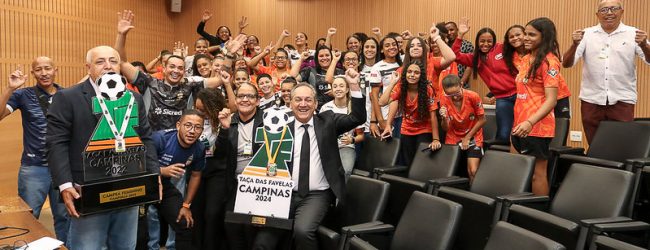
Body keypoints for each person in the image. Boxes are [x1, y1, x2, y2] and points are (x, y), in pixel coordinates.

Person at [47, 44, 159, 249]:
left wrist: (154, 174)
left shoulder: (134, 98)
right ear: (88, 67)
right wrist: (64, 184)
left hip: (128, 188)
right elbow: (56, 143)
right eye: (100, 61)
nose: (108, 66)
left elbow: (146, 138)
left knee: (125, 246)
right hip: (86, 190)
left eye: (113, 61)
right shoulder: (67, 97)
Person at [252, 68, 366, 249]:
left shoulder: (328, 121)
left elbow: (357, 117)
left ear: (315, 104)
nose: (303, 104)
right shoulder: (279, 127)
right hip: (282, 194)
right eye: (298, 99)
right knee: (262, 241)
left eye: (308, 100)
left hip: (317, 195)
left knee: (303, 231)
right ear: (290, 103)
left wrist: (353, 85)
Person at [114, 10, 237, 131]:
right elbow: (123, 63)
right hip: (152, 139)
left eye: (180, 68)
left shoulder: (190, 85)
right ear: (164, 68)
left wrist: (230, 54)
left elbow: (221, 78)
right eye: (172, 66)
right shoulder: (149, 82)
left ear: (184, 71)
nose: (176, 71)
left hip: (179, 141)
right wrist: (121, 35)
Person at [0, 58, 69, 243]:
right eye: (38, 69)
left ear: (56, 70)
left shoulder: (66, 94)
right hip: (33, 168)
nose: (44, 73)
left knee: (66, 218)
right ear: (33, 73)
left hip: (63, 167)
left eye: (47, 68)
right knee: (28, 219)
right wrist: (9, 88)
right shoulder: (23, 94)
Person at [562, 0, 650, 144]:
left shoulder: (633, 33)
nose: (609, 13)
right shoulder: (587, 34)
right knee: (595, 144)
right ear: (597, 14)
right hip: (591, 100)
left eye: (613, 9)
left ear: (622, 11)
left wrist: (644, 45)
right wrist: (574, 44)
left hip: (622, 99)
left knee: (621, 145)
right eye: (604, 10)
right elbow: (566, 64)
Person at [511, 17, 561, 196]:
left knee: (536, 175)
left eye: (532, 34)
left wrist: (530, 122)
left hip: (536, 126)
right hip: (519, 123)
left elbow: (551, 100)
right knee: (518, 170)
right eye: (525, 33)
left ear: (544, 36)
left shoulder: (549, 61)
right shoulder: (525, 58)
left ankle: (539, 217)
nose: (525, 37)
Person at [215, 83, 265, 250]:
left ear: (257, 101)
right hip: (235, 183)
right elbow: (220, 154)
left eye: (250, 96)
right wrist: (224, 128)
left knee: (252, 229)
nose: (245, 99)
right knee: (232, 226)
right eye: (241, 96)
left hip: (260, 185)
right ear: (235, 101)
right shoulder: (230, 120)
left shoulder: (268, 121)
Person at [453, 17, 517, 144]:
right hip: (502, 99)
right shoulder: (474, 58)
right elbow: (454, 55)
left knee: (520, 130)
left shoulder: (502, 48)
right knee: (504, 134)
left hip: (519, 94)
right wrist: (460, 35)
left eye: (489, 41)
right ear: (477, 42)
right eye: (482, 41)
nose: (486, 44)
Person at [381, 62, 441, 167]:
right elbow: (382, 102)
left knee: (421, 163)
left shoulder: (428, 89)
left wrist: (436, 139)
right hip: (407, 129)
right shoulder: (400, 87)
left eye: (416, 72)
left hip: (424, 129)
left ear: (421, 76)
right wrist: (393, 83)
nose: (412, 75)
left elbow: (433, 116)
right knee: (408, 163)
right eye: (409, 72)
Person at [439, 75, 486, 182]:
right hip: (453, 136)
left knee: (473, 171)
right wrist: (444, 118)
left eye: (456, 93)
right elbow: (445, 128)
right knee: (449, 171)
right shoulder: (444, 98)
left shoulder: (473, 96)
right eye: (450, 95)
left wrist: (467, 138)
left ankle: (473, 196)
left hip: (473, 135)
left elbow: (483, 120)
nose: (454, 97)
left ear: (461, 85)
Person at [319, 74, 365, 180]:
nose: (338, 89)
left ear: (347, 89)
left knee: (346, 171)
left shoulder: (354, 109)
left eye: (341, 86)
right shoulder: (325, 108)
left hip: (346, 147)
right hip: (328, 147)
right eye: (335, 86)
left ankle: (340, 197)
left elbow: (361, 136)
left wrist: (352, 139)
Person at [290, 45, 344, 111]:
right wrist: (301, 58)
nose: (324, 58)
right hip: (316, 110)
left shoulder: (340, 72)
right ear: (316, 58)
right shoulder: (310, 70)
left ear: (331, 57)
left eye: (327, 55)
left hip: (337, 109)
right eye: (321, 56)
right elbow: (293, 76)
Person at [445, 21, 474, 88]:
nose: (449, 33)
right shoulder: (444, 46)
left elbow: (469, 66)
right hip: (446, 85)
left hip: (462, 84)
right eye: (447, 31)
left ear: (457, 30)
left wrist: (461, 82)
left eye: (451, 30)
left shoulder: (467, 45)